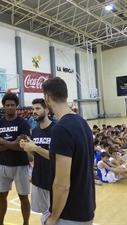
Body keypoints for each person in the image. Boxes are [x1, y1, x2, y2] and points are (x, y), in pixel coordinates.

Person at [41, 77, 95, 225]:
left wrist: (52, 218)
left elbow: (62, 184)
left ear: (47, 98)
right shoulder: (83, 123)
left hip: (69, 214)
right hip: (86, 208)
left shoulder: (61, 129)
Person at [0, 92, 31, 225]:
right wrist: (12, 143)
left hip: (20, 164)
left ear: (16, 106)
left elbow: (21, 146)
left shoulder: (23, 123)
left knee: (23, 197)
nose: (10, 107)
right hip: (3, 165)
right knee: (1, 195)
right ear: (4, 106)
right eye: (7, 105)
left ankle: (26, 223)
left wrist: (2, 140)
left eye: (12, 105)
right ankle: (0, 223)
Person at [20, 98, 55, 214]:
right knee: (43, 215)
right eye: (33, 108)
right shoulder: (35, 131)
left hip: (54, 181)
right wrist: (27, 148)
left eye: (38, 108)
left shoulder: (57, 130)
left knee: (56, 216)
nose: (34, 111)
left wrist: (35, 147)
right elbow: (36, 155)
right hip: (38, 179)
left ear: (46, 110)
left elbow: (56, 156)